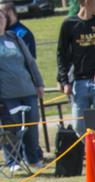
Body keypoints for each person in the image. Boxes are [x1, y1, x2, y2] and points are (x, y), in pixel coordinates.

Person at [56, 0, 95, 133]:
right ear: (87, 2)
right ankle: (91, 152)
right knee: (79, 127)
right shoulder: (68, 24)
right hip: (78, 83)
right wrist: (63, 81)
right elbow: (62, 55)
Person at [0, 12, 43, 169]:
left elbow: (30, 63)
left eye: (2, 17)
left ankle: (33, 158)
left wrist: (39, 84)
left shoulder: (14, 37)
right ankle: (13, 160)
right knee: (11, 129)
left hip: (28, 91)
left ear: (6, 20)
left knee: (31, 127)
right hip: (6, 96)